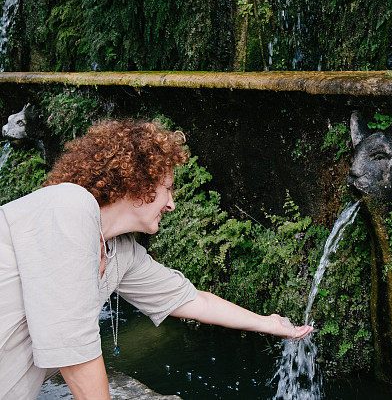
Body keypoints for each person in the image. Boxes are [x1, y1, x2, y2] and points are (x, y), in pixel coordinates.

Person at [0, 118, 313, 399]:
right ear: (138, 184)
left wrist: (269, 323)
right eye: (168, 189)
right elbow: (74, 350)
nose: (172, 204)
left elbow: (192, 301)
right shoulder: (67, 206)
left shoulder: (121, 252)